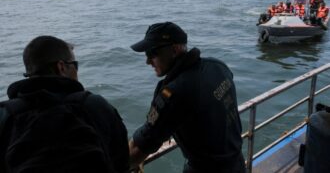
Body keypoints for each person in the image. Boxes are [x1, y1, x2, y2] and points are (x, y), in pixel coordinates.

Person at [0, 36, 129, 173]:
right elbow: (121, 163)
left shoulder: (5, 115)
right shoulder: (94, 106)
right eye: (75, 65)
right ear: (61, 67)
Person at [129, 22, 245, 173]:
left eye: (152, 53)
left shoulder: (174, 93)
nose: (148, 61)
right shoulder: (217, 66)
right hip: (237, 163)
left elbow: (140, 147)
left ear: (175, 50)